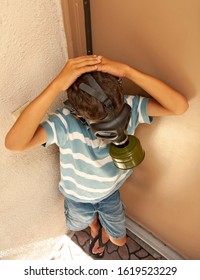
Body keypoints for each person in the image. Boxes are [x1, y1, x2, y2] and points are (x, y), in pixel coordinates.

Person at [5, 55, 189, 258]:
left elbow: (179, 106)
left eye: (118, 119)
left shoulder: (129, 107)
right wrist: (56, 85)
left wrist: (128, 71)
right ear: (78, 113)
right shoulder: (66, 123)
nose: (115, 128)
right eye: (104, 124)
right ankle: (94, 225)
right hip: (77, 196)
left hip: (110, 193)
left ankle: (99, 224)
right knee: (81, 222)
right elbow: (14, 144)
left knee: (119, 240)